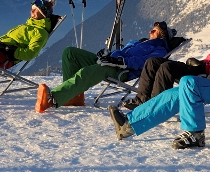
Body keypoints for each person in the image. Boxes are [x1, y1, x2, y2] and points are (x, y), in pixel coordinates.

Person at [35, 21, 179, 113]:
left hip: (121, 70)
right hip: (111, 61)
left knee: (88, 72)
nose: (150, 32)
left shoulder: (160, 50)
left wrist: (120, 61)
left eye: (154, 31)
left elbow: (144, 62)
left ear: (162, 36)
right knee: (70, 53)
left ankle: (53, 98)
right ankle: (73, 97)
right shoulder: (139, 42)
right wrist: (108, 54)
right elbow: (120, 51)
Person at [122, 20, 210, 109]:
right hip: (200, 69)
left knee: (167, 68)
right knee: (153, 61)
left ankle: (156, 107)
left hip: (207, 77)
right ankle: (141, 100)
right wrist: (199, 64)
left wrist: (204, 66)